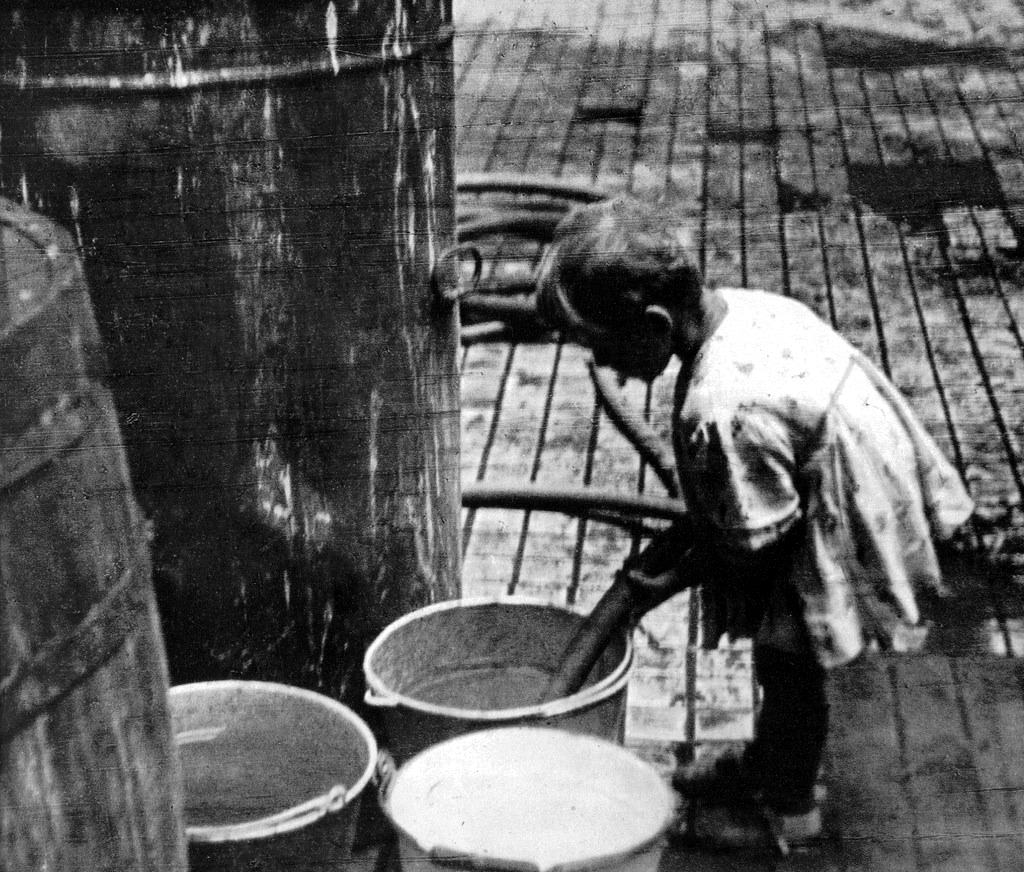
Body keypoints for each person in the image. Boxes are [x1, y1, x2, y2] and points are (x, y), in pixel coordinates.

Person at [535, 196, 975, 853]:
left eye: (607, 351)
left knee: (788, 666)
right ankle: (763, 764)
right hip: (838, 477)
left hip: (831, 518)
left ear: (654, 324)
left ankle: (789, 813)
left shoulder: (719, 407)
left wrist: (668, 576)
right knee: (779, 662)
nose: (615, 375)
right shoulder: (742, 307)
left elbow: (755, 542)